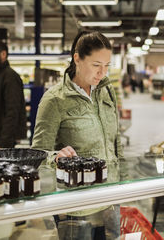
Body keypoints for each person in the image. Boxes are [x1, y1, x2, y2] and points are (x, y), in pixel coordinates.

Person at [32, 31, 123, 239]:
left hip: (110, 198)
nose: (102, 73)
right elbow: (37, 152)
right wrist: (55, 157)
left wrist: (123, 185)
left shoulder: (107, 92)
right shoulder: (54, 100)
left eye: (107, 66)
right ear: (77, 59)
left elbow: (116, 143)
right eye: (96, 65)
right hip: (76, 206)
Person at [0, 41, 27, 148]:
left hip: (3, 140)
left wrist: (4, 143)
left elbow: (12, 112)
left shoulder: (10, 77)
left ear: (3, 54)